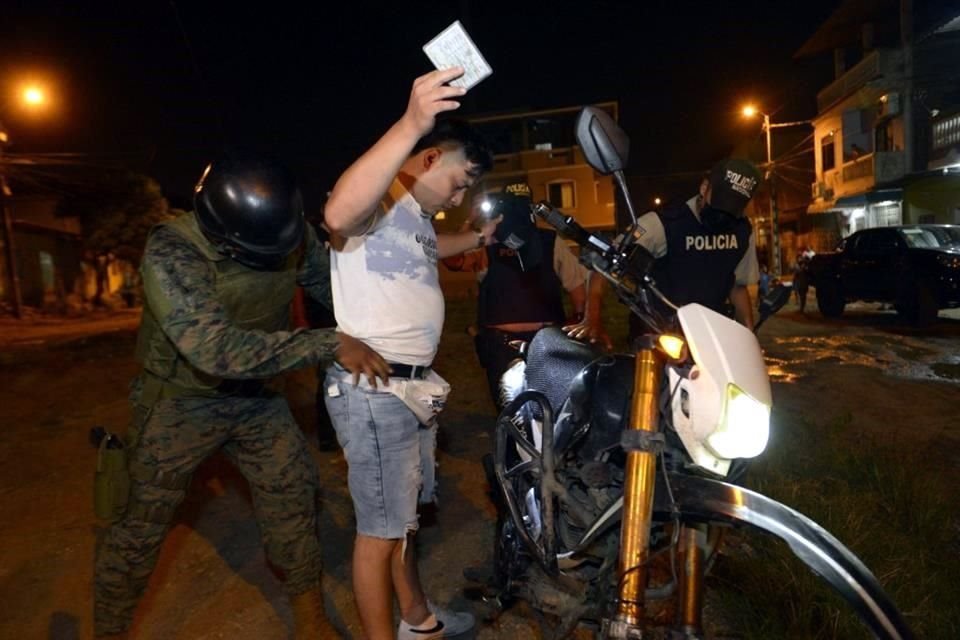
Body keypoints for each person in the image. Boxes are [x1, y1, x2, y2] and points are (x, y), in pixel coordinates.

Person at [92, 153, 388, 639]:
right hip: (180, 404)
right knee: (138, 529)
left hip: (256, 400)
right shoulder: (173, 249)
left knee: (293, 499)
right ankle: (109, 632)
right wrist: (328, 343)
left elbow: (332, 287)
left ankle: (309, 616)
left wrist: (381, 318)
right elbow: (215, 350)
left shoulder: (289, 234)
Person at [321, 66, 498, 640]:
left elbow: (425, 250)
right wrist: (411, 121)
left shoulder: (415, 217)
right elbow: (339, 215)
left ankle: (417, 620)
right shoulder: (377, 195)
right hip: (375, 393)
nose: (461, 194)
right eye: (461, 180)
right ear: (429, 159)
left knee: (404, 522)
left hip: (409, 389)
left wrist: (473, 240)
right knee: (379, 532)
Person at [443, 180, 610, 411]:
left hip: (546, 343)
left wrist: (582, 322)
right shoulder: (488, 240)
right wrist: (472, 221)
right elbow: (452, 259)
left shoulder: (550, 241)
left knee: (552, 409)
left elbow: (577, 287)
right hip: (501, 346)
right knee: (510, 414)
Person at [627, 158, 762, 340]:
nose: (723, 214)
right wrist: (592, 318)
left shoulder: (743, 232)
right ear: (704, 188)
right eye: (720, 202)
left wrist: (749, 337)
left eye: (732, 208)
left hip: (711, 336)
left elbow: (737, 288)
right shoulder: (666, 223)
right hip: (659, 334)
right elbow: (607, 258)